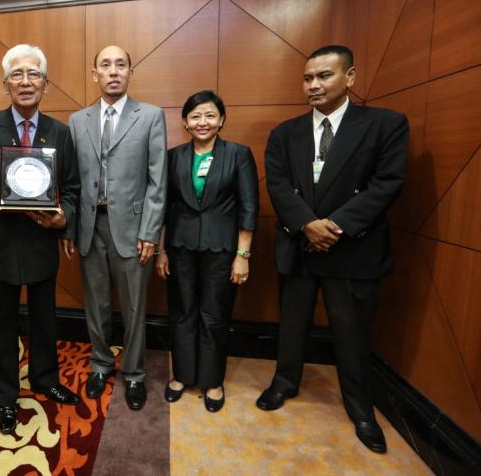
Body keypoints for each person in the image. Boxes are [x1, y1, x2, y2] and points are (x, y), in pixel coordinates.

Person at [257, 45, 408, 454]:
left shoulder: (385, 125)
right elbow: (278, 184)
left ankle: (360, 408)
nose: (314, 85)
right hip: (299, 243)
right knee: (292, 325)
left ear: (350, 77)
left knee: (353, 334)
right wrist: (307, 224)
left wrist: (335, 226)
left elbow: (386, 184)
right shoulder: (285, 133)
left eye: (324, 75)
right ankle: (284, 383)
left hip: (353, 248)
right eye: (308, 78)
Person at [0, 44, 81, 435]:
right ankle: (5, 397)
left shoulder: (60, 132)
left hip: (41, 238)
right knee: (0, 325)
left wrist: (65, 216)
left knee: (45, 319)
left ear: (45, 83)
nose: (25, 81)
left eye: (34, 74)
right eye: (17, 74)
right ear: (5, 83)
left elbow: (72, 187)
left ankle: (45, 379)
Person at [67, 45, 167, 410]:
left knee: (134, 307)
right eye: (105, 65)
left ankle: (135, 372)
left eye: (120, 65)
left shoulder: (151, 116)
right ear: (94, 74)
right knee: (96, 304)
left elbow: (158, 181)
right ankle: (100, 363)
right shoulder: (77, 120)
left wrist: (150, 232)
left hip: (133, 229)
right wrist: (69, 229)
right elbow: (71, 181)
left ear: (130, 72)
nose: (113, 71)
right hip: (90, 226)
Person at [155, 90, 258, 412]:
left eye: (210, 115)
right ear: (185, 122)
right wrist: (161, 250)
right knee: (182, 311)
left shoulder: (238, 154)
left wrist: (242, 256)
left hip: (221, 249)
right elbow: (164, 207)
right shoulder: (174, 157)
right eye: (196, 116)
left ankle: (213, 380)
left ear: (221, 120)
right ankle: (183, 375)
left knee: (214, 315)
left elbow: (249, 207)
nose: (203, 122)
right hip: (180, 247)